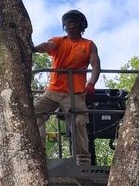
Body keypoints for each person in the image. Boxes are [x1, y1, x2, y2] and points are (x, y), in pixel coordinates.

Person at [33, 10, 101, 165]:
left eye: (72, 21)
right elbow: (47, 45)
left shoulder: (88, 45)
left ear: (80, 24)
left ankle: (82, 159)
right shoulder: (58, 41)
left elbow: (96, 65)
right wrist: (34, 48)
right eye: (66, 22)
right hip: (53, 91)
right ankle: (38, 152)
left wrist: (91, 83)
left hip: (75, 94)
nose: (68, 25)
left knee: (78, 122)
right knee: (34, 112)